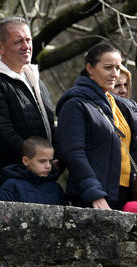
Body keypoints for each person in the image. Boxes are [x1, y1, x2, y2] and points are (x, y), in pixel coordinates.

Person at [0, 17, 55, 198]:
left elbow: (49, 126)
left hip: (41, 179)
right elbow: (0, 134)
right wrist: (36, 160)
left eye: (28, 40)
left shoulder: (35, 80)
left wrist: (51, 161)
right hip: (7, 182)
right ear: (1, 47)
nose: (26, 46)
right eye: (18, 41)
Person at [55, 42, 137, 209]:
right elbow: (74, 154)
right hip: (96, 198)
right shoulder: (75, 104)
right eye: (108, 67)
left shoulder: (123, 106)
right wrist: (94, 194)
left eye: (118, 68)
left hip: (128, 195)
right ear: (90, 69)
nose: (115, 74)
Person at [0, 136, 66, 205]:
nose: (48, 166)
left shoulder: (56, 189)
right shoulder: (12, 186)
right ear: (26, 161)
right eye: (42, 161)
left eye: (50, 161)